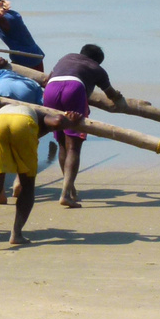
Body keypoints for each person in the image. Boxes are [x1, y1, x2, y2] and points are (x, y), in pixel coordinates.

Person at [0, 94, 81, 247]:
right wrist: (70, 121)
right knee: (27, 184)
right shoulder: (39, 112)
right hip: (23, 123)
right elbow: (57, 121)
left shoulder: (6, 107)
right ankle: (16, 234)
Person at [42, 45, 124, 208]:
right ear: (98, 61)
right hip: (74, 89)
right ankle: (65, 194)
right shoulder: (97, 68)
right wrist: (118, 96)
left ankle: (70, 188)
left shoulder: (66, 57)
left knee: (61, 143)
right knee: (73, 146)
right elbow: (111, 94)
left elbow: (46, 80)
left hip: (51, 89)